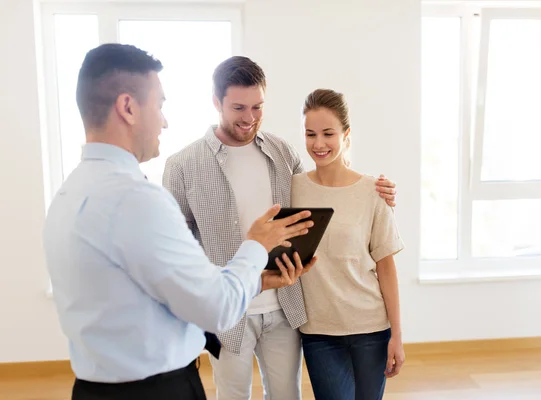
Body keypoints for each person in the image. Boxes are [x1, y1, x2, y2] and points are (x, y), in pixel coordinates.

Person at [42, 43, 315, 400]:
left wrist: (259, 279)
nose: (164, 119)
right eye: (159, 105)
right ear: (127, 107)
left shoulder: (69, 193)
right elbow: (216, 306)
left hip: (97, 386)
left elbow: (166, 283)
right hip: (157, 388)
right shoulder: (137, 198)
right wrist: (256, 244)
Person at [163, 56, 398, 400]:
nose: (249, 118)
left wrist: (376, 188)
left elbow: (324, 184)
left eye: (257, 107)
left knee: (288, 395)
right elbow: (176, 248)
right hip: (229, 311)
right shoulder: (183, 165)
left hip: (285, 308)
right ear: (216, 102)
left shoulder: (282, 152)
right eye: (238, 108)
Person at [292, 89, 405, 400]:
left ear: (346, 134)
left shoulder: (373, 191)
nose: (318, 144)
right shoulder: (293, 189)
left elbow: (385, 265)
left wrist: (397, 334)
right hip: (319, 332)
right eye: (310, 134)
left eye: (328, 133)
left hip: (370, 328)